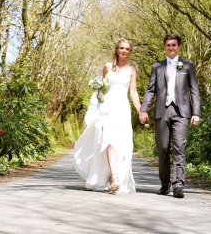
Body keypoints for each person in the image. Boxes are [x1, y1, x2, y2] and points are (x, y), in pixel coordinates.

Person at [73, 39, 141, 194]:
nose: (124, 51)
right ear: (117, 49)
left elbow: (133, 91)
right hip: (107, 108)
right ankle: (114, 177)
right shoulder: (107, 67)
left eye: (127, 49)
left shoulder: (132, 70)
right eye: (121, 48)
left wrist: (140, 110)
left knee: (121, 142)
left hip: (122, 109)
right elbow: (102, 87)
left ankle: (115, 176)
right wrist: (98, 95)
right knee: (108, 140)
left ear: (130, 52)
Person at [139, 34, 201, 198]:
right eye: (168, 45)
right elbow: (150, 90)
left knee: (179, 148)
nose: (171, 47)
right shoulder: (157, 67)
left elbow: (194, 90)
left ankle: (178, 185)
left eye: (174, 45)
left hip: (182, 113)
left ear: (179, 46)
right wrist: (143, 109)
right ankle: (165, 183)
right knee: (163, 148)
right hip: (162, 111)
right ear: (164, 47)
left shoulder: (188, 66)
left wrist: (196, 112)